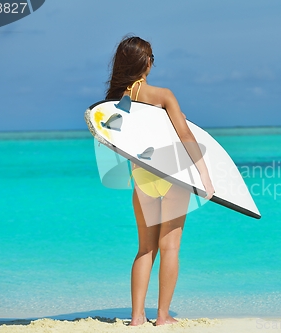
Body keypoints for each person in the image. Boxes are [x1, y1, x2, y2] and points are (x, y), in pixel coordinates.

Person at [106, 35, 215, 326]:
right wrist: (205, 174)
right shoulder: (163, 95)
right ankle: (163, 316)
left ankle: (137, 317)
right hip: (172, 177)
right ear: (146, 63)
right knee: (170, 249)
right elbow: (186, 136)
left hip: (141, 180)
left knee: (145, 249)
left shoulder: (116, 103)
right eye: (152, 57)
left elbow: (114, 143)